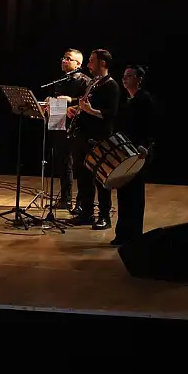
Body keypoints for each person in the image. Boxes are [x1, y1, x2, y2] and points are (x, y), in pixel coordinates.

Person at [67, 49, 120, 229]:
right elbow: (86, 106)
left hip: (99, 138)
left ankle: (104, 216)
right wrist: (76, 109)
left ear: (102, 63)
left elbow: (110, 114)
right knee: (84, 177)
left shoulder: (111, 86)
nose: (88, 65)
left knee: (101, 179)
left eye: (91, 61)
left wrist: (89, 110)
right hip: (84, 136)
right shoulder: (94, 83)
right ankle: (86, 212)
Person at [112, 65, 154, 245]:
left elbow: (150, 126)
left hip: (138, 153)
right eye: (124, 75)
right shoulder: (127, 100)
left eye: (129, 76)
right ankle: (122, 234)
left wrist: (145, 145)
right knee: (123, 194)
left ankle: (134, 236)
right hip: (125, 152)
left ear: (139, 79)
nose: (124, 79)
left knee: (135, 196)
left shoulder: (144, 100)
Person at [49, 49, 91, 210]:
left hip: (78, 127)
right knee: (63, 162)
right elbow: (56, 100)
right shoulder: (60, 81)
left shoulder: (85, 81)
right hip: (60, 123)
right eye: (64, 58)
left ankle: (81, 203)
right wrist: (49, 102)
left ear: (78, 64)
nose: (64, 60)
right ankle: (65, 199)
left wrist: (71, 100)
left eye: (68, 58)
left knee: (79, 165)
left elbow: (88, 101)